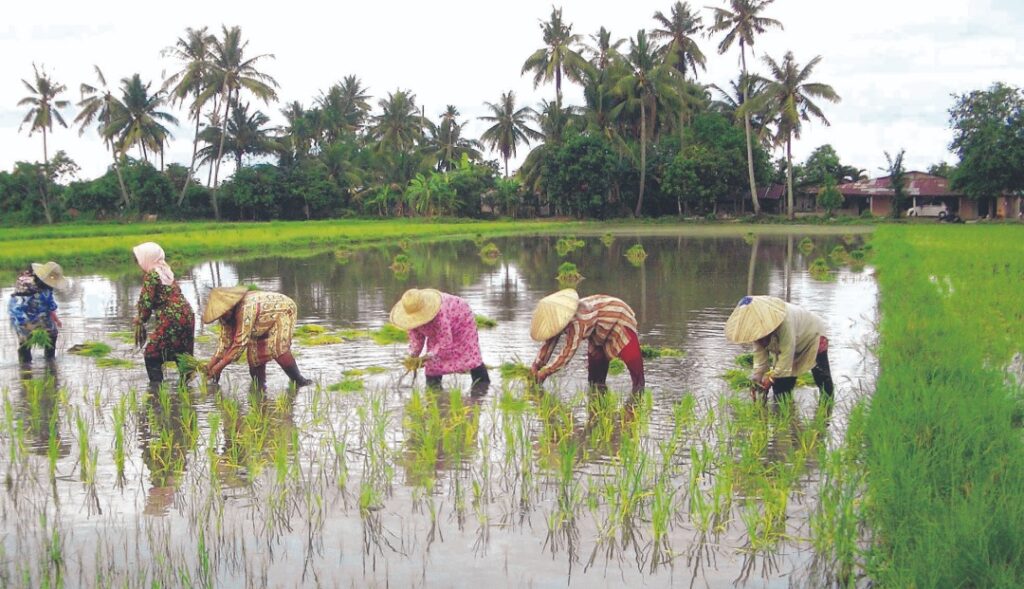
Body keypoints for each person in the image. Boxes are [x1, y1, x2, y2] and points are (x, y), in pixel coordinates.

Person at [529, 289, 645, 394]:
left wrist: (545, 372)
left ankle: (637, 401)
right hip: (597, 333)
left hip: (619, 320)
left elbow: (568, 352)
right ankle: (597, 408)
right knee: (594, 380)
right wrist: (537, 365)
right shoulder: (557, 322)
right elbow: (549, 342)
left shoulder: (578, 322)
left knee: (635, 368)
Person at [724, 295, 835, 402]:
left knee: (821, 377)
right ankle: (784, 414)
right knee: (781, 388)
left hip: (812, 335)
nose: (759, 341)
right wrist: (758, 376)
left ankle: (827, 409)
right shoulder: (756, 329)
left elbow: (787, 354)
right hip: (790, 346)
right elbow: (760, 355)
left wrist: (771, 378)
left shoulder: (785, 321)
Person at [203, 286, 312, 390]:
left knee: (278, 348)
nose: (222, 316)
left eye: (224, 312)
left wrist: (218, 368)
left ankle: (299, 381)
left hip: (283, 311)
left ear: (230, 307)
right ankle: (259, 389)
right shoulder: (226, 318)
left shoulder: (246, 307)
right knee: (254, 358)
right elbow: (224, 344)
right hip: (259, 322)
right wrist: (209, 367)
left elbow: (240, 344)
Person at [389, 288, 489, 393]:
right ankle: (434, 395)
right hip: (439, 330)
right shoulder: (410, 320)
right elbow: (416, 340)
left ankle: (482, 390)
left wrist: (428, 356)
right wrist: (412, 357)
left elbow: (445, 341)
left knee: (470, 357)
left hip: (461, 320)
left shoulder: (439, 312)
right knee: (432, 366)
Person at [133, 242, 195, 384]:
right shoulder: (166, 272)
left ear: (146, 258)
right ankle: (187, 392)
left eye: (139, 260)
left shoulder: (152, 275)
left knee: (151, 355)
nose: (138, 265)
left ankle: (156, 393)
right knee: (182, 355)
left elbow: (146, 303)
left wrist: (140, 320)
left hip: (171, 319)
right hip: (188, 316)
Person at [8, 262, 67, 363]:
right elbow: (16, 307)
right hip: (23, 316)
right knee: (26, 343)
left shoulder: (47, 287)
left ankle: (50, 362)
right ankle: (25, 367)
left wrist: (55, 318)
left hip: (42, 314)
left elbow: (49, 301)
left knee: (52, 334)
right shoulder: (26, 286)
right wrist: (26, 323)